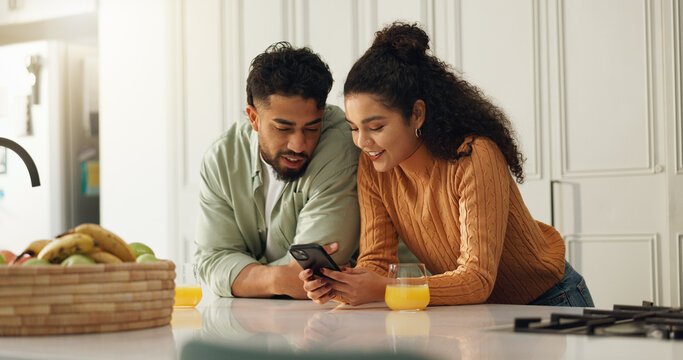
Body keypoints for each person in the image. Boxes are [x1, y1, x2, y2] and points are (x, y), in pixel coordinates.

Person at [300, 23, 594, 307]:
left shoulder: (473, 155)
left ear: (416, 114)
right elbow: (378, 261)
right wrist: (342, 286)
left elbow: (477, 278)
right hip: (480, 310)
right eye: (354, 128)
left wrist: (384, 290)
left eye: (375, 127)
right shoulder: (374, 167)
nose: (362, 142)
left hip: (552, 300)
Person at [194, 42, 360, 299]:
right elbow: (210, 261)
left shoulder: (339, 143)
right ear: (253, 118)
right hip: (252, 324)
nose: (298, 144)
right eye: (283, 129)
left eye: (311, 128)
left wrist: (245, 277)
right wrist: (277, 280)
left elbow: (319, 274)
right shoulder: (222, 158)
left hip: (339, 322)